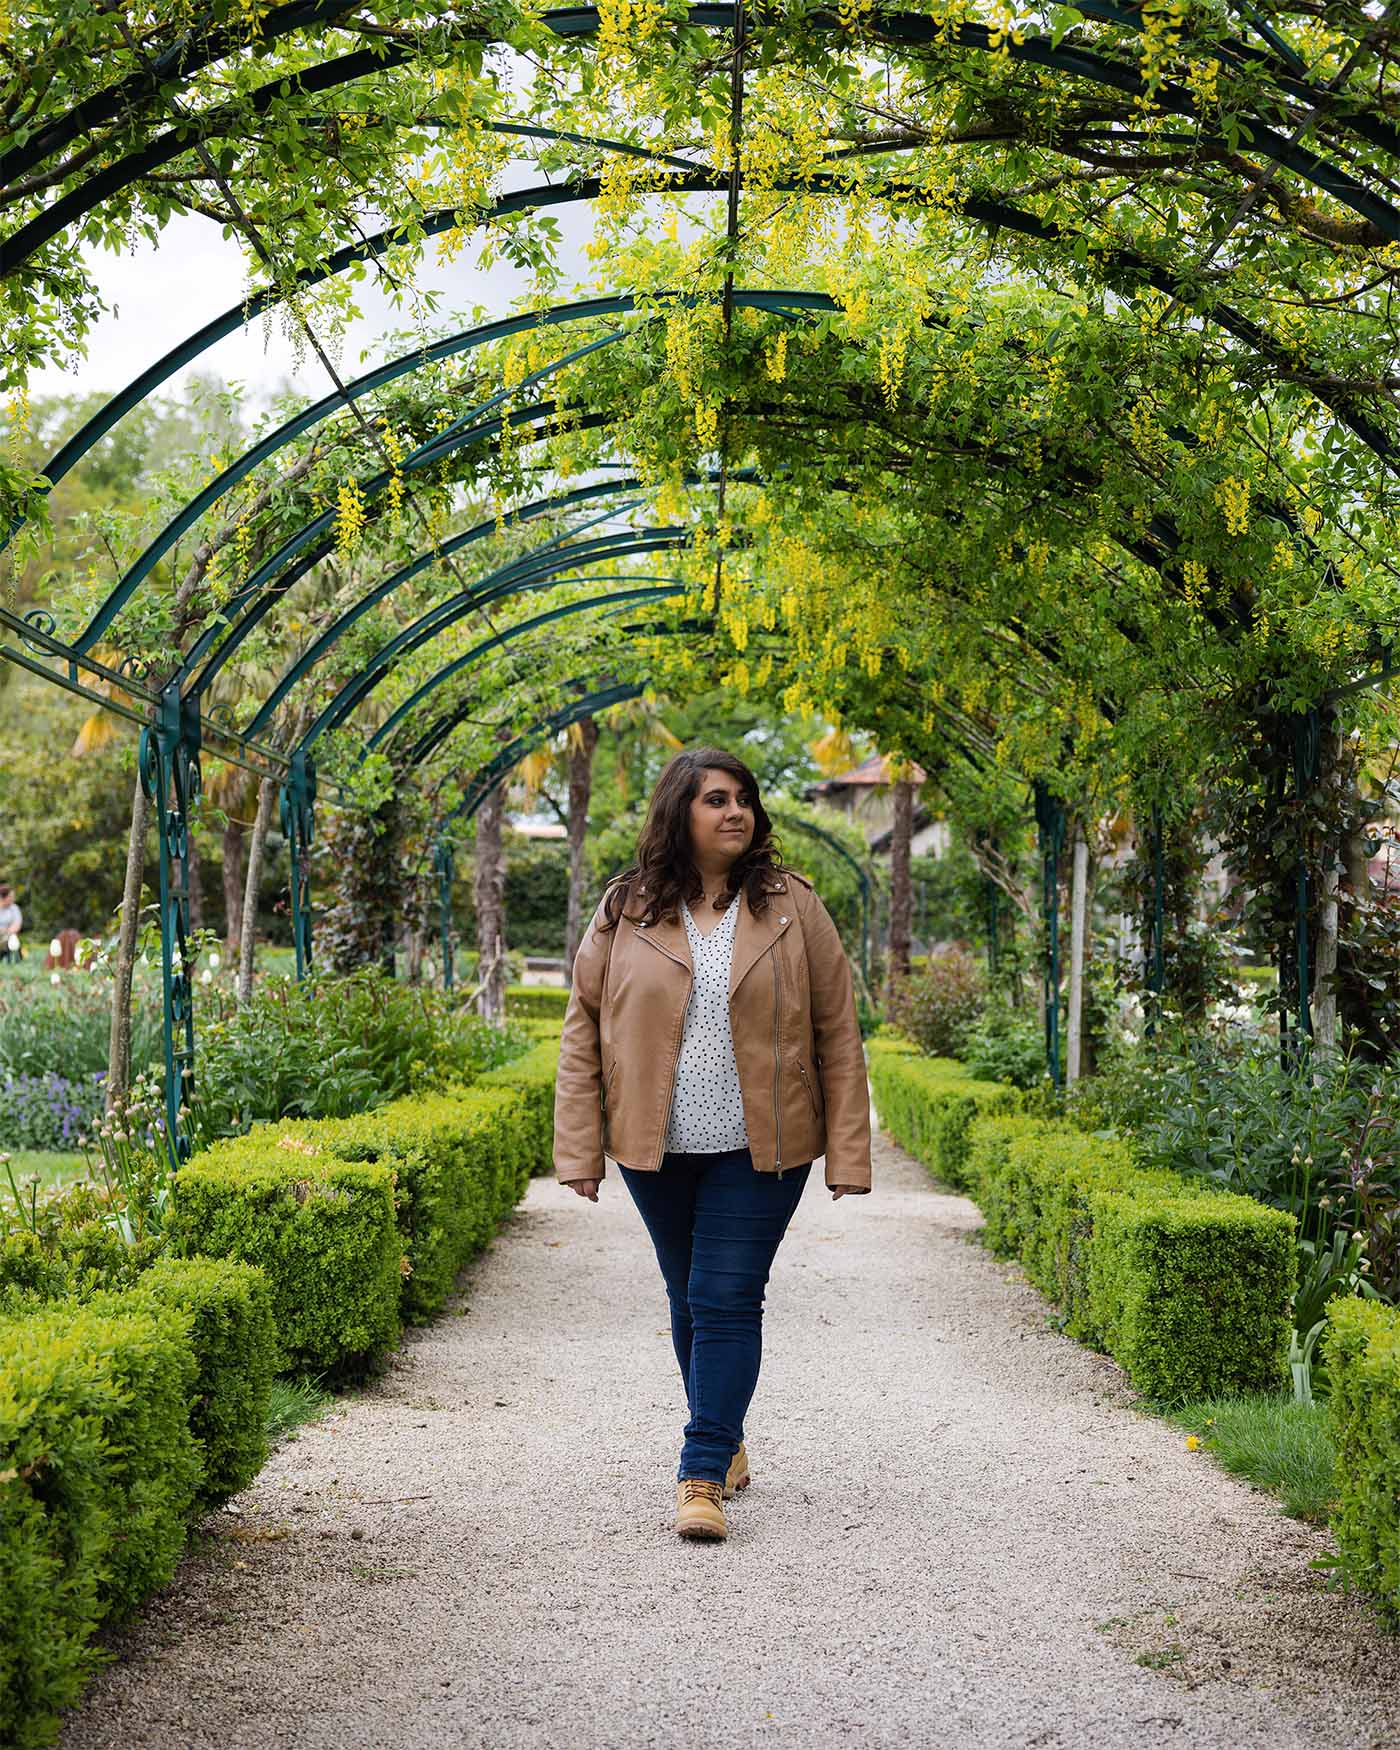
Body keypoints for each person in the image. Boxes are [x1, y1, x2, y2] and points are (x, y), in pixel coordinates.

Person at [553, 746, 872, 1542]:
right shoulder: (625, 908)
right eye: (716, 800)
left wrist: (850, 1152)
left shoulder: (793, 906)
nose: (736, 813)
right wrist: (579, 1150)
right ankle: (725, 1434)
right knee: (688, 1297)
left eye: (745, 800)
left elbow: (838, 1028)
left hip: (764, 1146)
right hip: (653, 1146)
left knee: (727, 1299)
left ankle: (700, 1473)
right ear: (679, 814)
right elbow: (583, 1029)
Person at [0, 885, 22, 962]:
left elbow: (17, 925)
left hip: (9, 937)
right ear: (3, 898)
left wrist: (6, 933)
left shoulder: (14, 908)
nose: (13, 899)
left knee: (8, 940)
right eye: (10, 896)